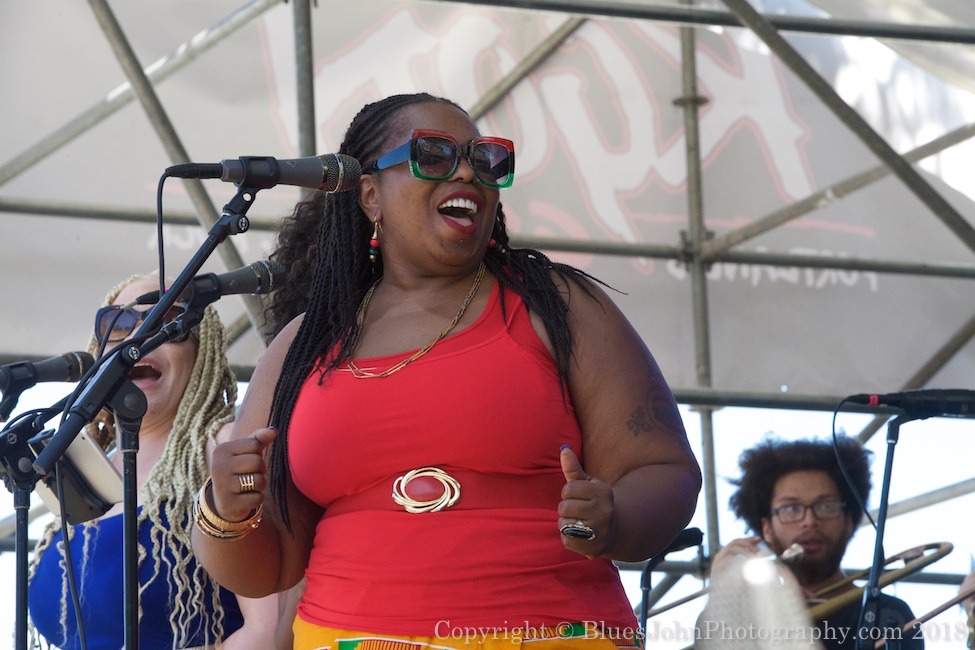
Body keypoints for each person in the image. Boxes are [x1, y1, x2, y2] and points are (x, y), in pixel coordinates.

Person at [191, 91, 702, 650]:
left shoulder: (556, 306)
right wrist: (226, 509)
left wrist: (616, 519)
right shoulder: (302, 346)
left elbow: (664, 468)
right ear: (369, 195)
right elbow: (268, 569)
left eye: (483, 160)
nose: (466, 171)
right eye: (432, 156)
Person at [27, 273, 277, 649]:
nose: (138, 339)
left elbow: (269, 630)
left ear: (201, 350)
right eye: (119, 323)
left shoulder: (224, 449)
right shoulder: (83, 464)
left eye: (166, 321)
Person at [706, 436, 922, 650]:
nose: (810, 521)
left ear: (848, 521)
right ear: (766, 528)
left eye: (826, 506)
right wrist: (720, 602)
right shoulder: (747, 617)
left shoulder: (889, 613)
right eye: (791, 509)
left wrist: (789, 617)